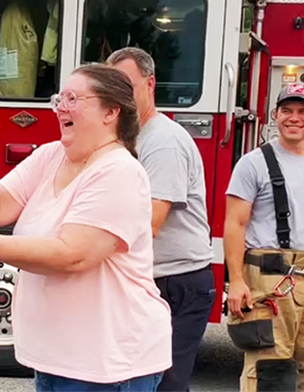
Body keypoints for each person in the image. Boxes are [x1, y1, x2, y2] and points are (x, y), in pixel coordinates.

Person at [0, 64, 172, 391]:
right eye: (59, 99)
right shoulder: (53, 155)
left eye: (73, 98)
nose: (60, 107)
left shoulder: (119, 172)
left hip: (106, 365)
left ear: (111, 111)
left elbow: (73, 255)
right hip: (56, 358)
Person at [223, 82, 304, 392]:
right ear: (275, 115)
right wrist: (236, 281)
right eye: (287, 111)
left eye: (303, 111)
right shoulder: (252, 163)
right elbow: (235, 224)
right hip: (267, 279)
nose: (295, 117)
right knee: (269, 372)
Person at [109, 47, 213, 392]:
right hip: (152, 278)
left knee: (165, 384)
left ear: (150, 84)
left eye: (127, 86)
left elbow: (149, 223)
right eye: (113, 89)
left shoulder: (163, 142)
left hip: (177, 282)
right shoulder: (131, 139)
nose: (120, 97)